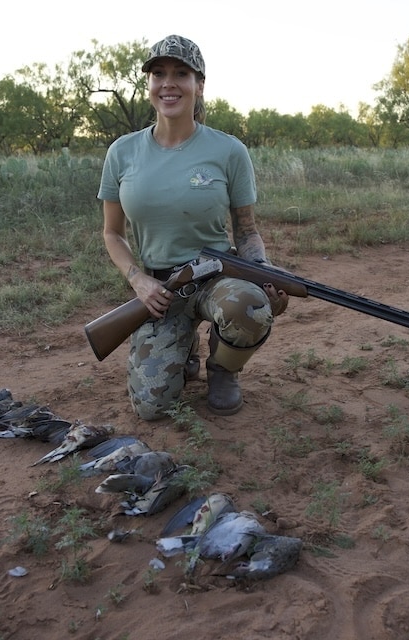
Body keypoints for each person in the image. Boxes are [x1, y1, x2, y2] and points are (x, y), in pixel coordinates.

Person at [98, 34, 288, 420]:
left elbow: (246, 230)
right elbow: (111, 233)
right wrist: (139, 280)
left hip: (217, 274)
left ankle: (223, 369)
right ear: (148, 85)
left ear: (199, 85)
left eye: (181, 74)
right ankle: (184, 351)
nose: (168, 83)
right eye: (158, 74)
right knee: (152, 408)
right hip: (161, 289)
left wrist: (264, 274)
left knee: (249, 307)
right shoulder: (122, 152)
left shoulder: (229, 150)